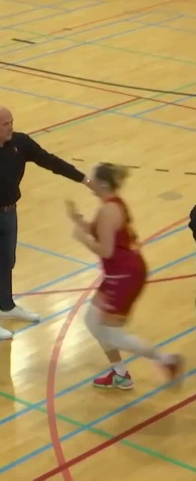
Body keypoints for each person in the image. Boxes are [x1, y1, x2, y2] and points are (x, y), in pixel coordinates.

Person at [0, 105, 94, 340]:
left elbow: (50, 161)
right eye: (5, 124)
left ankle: (7, 306)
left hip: (9, 212)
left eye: (11, 121)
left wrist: (83, 179)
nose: (10, 127)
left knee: (8, 260)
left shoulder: (20, 144)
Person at [66, 163, 183, 389]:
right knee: (92, 321)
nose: (90, 185)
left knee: (110, 332)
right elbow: (99, 231)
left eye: (93, 181)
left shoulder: (108, 210)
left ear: (102, 183)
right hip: (120, 272)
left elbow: (106, 250)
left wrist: (82, 239)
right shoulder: (112, 205)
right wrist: (78, 220)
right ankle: (120, 373)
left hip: (124, 275)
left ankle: (167, 361)